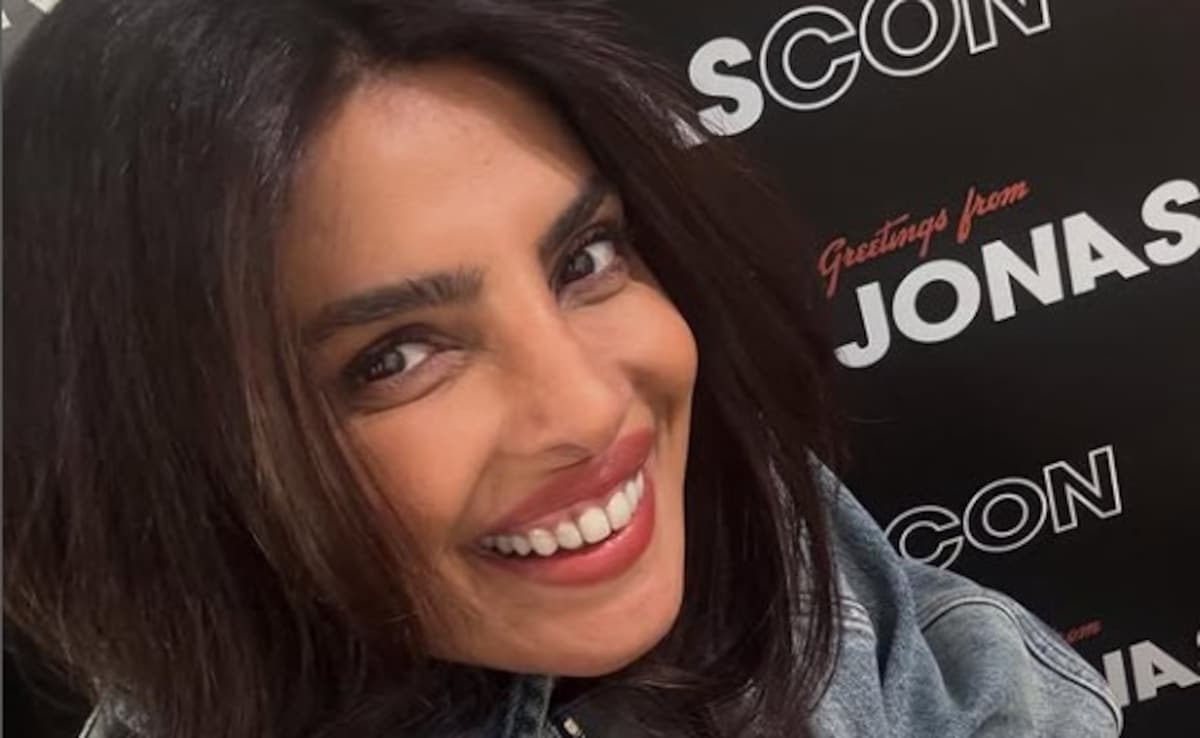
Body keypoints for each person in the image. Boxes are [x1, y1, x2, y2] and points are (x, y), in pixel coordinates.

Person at [2, 1, 1122, 737]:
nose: (591, 410)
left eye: (583, 260)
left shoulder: (749, 520)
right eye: (395, 356)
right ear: (164, 459)